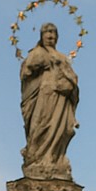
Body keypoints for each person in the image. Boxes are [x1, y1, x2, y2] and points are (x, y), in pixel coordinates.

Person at [19, 22, 79, 178]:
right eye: (47, 32)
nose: (50, 36)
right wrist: (38, 64)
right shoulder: (37, 52)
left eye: (53, 33)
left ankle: (53, 159)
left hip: (60, 98)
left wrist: (68, 85)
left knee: (61, 130)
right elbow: (26, 71)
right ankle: (36, 159)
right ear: (42, 36)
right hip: (43, 95)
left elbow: (73, 78)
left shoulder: (62, 58)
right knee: (40, 126)